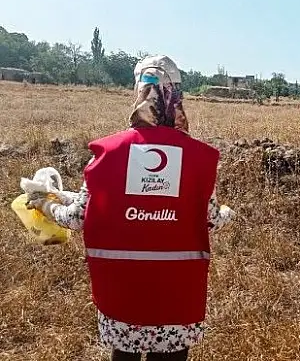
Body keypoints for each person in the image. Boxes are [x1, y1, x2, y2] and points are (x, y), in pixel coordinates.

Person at [28, 55, 234, 361]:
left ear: (139, 93)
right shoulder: (198, 158)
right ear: (175, 96)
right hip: (177, 295)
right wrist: (228, 214)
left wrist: (47, 203)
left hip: (122, 295)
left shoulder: (108, 153)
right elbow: (211, 221)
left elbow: (80, 216)